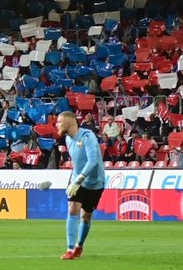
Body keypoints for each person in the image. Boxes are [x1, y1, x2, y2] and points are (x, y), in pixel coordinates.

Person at [57, 111, 105, 260]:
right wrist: (75, 180)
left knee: (86, 216)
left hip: (95, 182)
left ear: (68, 124)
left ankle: (79, 245)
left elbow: (93, 161)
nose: (57, 125)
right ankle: (70, 249)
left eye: (59, 122)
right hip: (78, 180)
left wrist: (80, 179)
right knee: (73, 209)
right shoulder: (67, 139)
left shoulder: (87, 136)